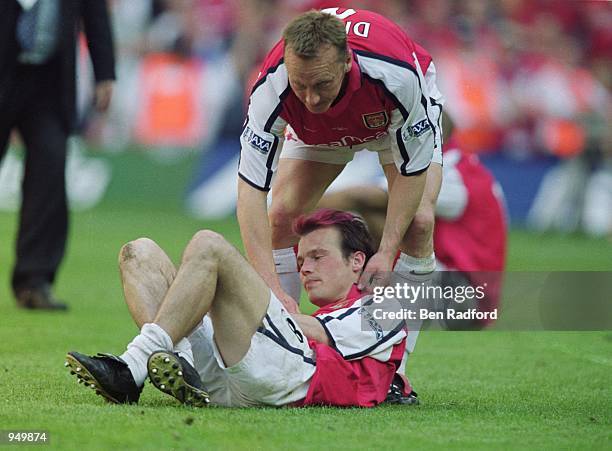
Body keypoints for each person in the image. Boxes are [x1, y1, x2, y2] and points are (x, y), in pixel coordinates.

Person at [65, 209, 413, 407]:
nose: (305, 268)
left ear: (357, 261)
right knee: (138, 253)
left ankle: (134, 365)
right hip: (236, 372)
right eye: (302, 259)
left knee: (209, 245)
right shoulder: (331, 313)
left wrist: (253, 299)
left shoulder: (388, 306)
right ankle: (182, 367)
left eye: (318, 257)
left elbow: (323, 333)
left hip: (288, 379)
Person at [236, 8, 445, 317]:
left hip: (388, 117)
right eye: (300, 85)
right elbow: (250, 193)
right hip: (317, 129)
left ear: (347, 61)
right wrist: (271, 288)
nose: (311, 98)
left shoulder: (396, 75)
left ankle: (395, 359)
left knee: (418, 224)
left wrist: (386, 252)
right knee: (281, 216)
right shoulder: (271, 86)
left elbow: (411, 169)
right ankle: (282, 341)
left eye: (322, 83)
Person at [318, 138, 508, 330]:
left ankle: (377, 301)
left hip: (465, 299)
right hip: (473, 292)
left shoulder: (451, 174)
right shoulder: (467, 167)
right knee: (389, 218)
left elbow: (363, 196)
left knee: (386, 215)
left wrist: (299, 212)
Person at [0, 0, 115, 310]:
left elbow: (94, 11)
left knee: (49, 175)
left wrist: (105, 72)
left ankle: (34, 281)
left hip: (50, 81)